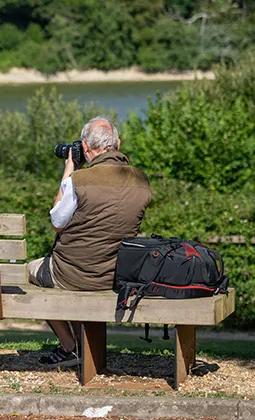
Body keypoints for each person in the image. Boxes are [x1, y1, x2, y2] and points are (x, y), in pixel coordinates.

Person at [28, 116, 151, 367]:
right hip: (116, 275)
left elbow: (56, 222)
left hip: (73, 274)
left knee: (30, 271)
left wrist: (69, 169)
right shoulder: (140, 180)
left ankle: (69, 346)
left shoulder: (79, 180)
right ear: (118, 143)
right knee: (64, 272)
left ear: (85, 148)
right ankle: (80, 344)